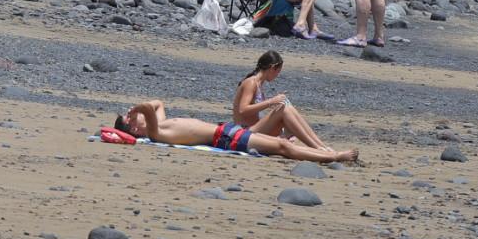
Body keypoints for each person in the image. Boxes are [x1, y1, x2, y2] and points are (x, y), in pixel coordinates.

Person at [115, 99, 356, 163]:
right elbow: (148, 107)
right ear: (134, 128)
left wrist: (133, 114)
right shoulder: (155, 133)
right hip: (227, 139)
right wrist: (136, 109)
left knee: (283, 111)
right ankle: (334, 157)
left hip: (228, 131)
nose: (133, 115)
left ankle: (321, 149)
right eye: (130, 119)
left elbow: (157, 103)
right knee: (284, 147)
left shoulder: (159, 123)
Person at [232, 50, 334, 150]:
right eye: (278, 71)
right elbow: (243, 109)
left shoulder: (259, 84)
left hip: (255, 128)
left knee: (286, 107)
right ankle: (317, 147)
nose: (277, 75)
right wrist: (270, 102)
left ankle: (321, 146)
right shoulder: (251, 82)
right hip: (244, 132)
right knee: (284, 109)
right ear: (272, 68)